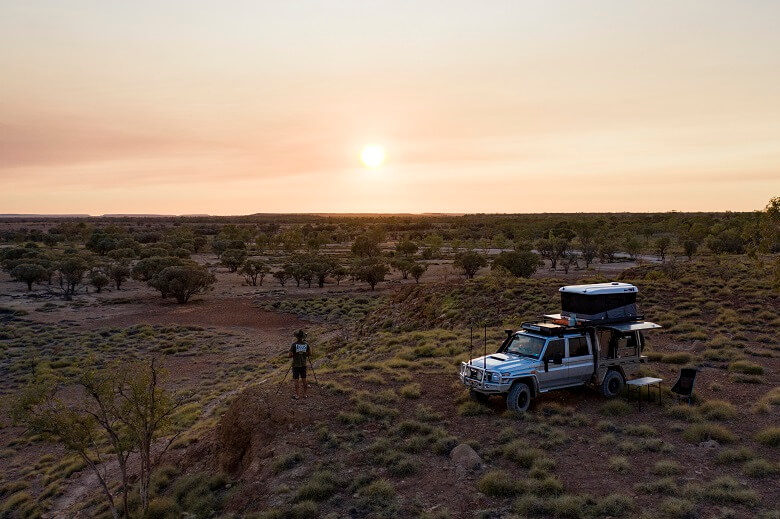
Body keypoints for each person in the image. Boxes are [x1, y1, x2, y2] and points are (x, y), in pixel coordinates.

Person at [289, 329, 311, 399]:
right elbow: (310, 354)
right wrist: (304, 353)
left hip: (295, 365)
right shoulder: (306, 344)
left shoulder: (294, 345)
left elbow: (289, 355)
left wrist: (295, 354)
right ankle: (305, 394)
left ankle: (297, 395)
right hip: (303, 364)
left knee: (296, 380)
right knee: (304, 379)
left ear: (296, 337)